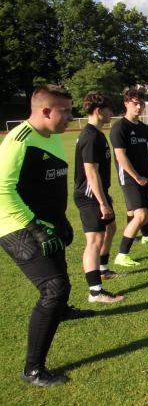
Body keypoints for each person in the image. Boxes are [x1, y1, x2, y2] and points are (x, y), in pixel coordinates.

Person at [0, 85, 93, 387]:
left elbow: (47, 186)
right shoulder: (18, 141)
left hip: (46, 222)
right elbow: (3, 191)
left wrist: (59, 220)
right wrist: (36, 229)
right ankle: (33, 370)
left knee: (59, 275)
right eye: (65, 111)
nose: (70, 116)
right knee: (54, 288)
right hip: (16, 225)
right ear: (45, 111)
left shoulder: (52, 137)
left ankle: (61, 312)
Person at [73, 93, 124, 304]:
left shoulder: (97, 134)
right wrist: (102, 202)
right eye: (108, 109)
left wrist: (105, 196)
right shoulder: (90, 137)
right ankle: (95, 291)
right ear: (98, 111)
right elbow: (90, 172)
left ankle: (102, 270)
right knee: (94, 241)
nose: (111, 113)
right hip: (90, 196)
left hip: (99, 193)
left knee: (111, 228)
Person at [110, 89, 148, 267]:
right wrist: (136, 177)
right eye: (135, 103)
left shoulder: (143, 128)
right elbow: (120, 156)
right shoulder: (120, 127)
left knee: (143, 214)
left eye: (141, 103)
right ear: (126, 104)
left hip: (145, 177)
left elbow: (147, 152)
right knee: (140, 215)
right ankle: (121, 255)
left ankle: (146, 237)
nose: (139, 107)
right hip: (130, 178)